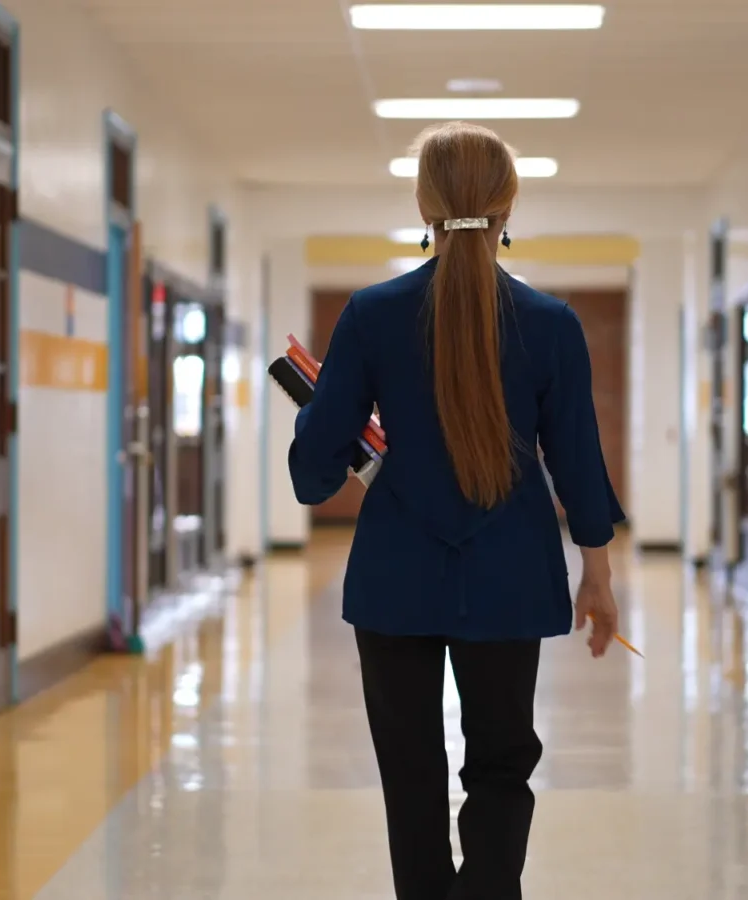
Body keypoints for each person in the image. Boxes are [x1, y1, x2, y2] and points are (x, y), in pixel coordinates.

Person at [287, 121, 625, 900]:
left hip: (394, 580)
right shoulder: (552, 325)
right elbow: (578, 465)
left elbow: (312, 475)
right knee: (503, 767)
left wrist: (321, 415)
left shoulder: (371, 315)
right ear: (508, 204)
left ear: (423, 205)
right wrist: (597, 577)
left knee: (410, 778)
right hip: (512, 575)